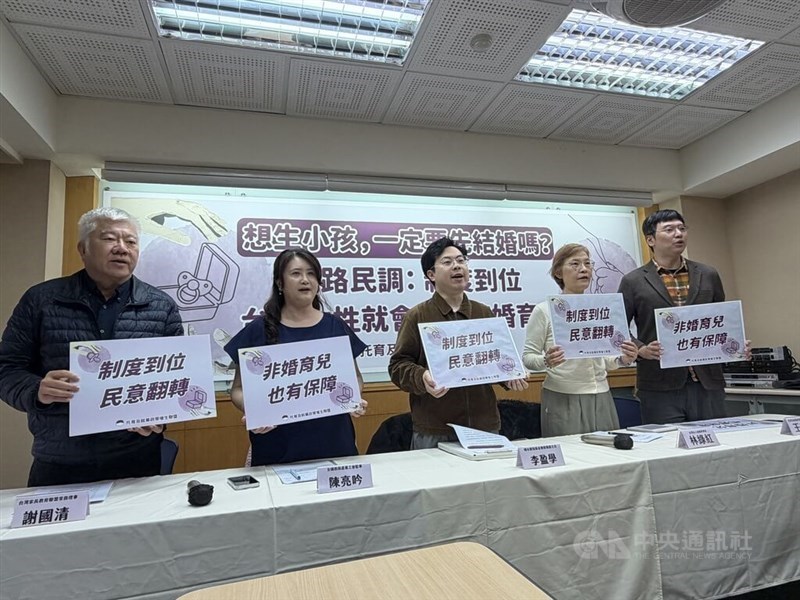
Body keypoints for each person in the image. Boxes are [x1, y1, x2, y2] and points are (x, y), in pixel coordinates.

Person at [0, 207, 183, 487]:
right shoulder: (42, 300)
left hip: (136, 458)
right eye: (110, 239)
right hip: (60, 458)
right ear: (83, 248)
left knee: (132, 531)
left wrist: (159, 414)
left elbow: (175, 379)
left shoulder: (161, 306)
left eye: (131, 242)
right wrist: (36, 390)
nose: (122, 248)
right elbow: (7, 369)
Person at [224, 248, 367, 466]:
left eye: (311, 274)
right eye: (296, 273)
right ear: (280, 284)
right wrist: (255, 410)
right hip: (276, 446)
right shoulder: (258, 330)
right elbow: (238, 389)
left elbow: (355, 377)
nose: (305, 280)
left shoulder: (335, 326)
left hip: (334, 443)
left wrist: (352, 397)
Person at [388, 237, 528, 449]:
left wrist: (511, 376)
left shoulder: (484, 313)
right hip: (435, 427)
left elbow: (496, 359)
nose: (457, 266)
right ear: (431, 275)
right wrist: (422, 377)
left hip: (484, 424)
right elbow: (398, 366)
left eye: (461, 260)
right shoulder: (417, 316)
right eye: (447, 262)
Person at [618, 209, 740, 424]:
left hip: (707, 381)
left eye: (682, 229)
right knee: (670, 449)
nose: (678, 234)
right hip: (659, 384)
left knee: (715, 448)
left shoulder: (708, 274)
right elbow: (618, 327)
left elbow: (721, 319)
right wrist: (641, 349)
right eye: (669, 229)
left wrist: (734, 342)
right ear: (650, 239)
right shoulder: (633, 281)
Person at [522, 243, 638, 436]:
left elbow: (606, 359)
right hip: (563, 396)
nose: (584, 269)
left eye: (587, 264)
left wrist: (623, 359)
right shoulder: (544, 310)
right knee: (572, 459)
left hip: (602, 393)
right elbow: (528, 357)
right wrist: (546, 361)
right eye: (575, 264)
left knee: (608, 456)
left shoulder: (603, 309)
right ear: (558, 272)